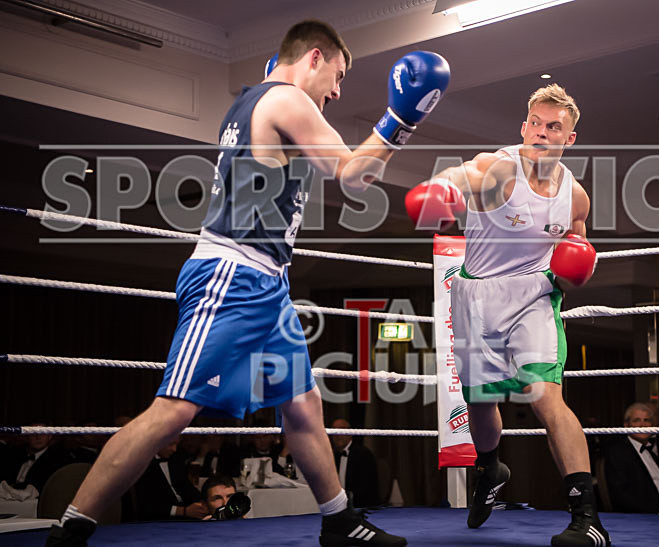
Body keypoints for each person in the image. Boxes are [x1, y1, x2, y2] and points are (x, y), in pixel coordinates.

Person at [47, 19, 449, 547]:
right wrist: (402, 117)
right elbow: (353, 175)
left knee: (303, 407)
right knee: (173, 412)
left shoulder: (249, 102)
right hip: (232, 276)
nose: (337, 91)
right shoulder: (286, 98)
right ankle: (71, 527)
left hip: (267, 283)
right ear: (314, 57)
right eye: (338, 75)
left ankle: (338, 519)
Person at [405, 84, 607, 546]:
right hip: (476, 296)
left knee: (545, 398)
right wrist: (442, 187)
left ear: (569, 138)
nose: (541, 133)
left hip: (534, 295)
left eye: (553, 126)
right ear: (523, 127)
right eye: (534, 123)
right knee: (481, 404)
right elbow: (467, 173)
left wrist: (577, 269)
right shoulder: (501, 170)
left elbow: (578, 246)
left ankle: (588, 518)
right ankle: (490, 467)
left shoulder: (575, 197)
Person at [330, 418, 380, 507]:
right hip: (337, 506)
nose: (337, 435)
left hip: (360, 506)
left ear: (350, 433)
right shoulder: (331, 455)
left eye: (341, 430)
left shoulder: (364, 454)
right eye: (334, 431)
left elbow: (367, 487)